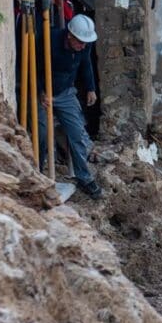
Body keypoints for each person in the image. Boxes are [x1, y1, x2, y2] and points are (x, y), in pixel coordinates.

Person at [38, 14, 103, 199]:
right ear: (70, 36)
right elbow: (35, 66)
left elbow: (86, 64)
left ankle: (83, 176)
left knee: (77, 133)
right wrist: (41, 91)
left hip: (65, 91)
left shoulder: (85, 44)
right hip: (43, 92)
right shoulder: (50, 41)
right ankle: (38, 173)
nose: (83, 46)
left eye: (85, 43)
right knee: (41, 132)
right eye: (80, 42)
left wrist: (90, 88)